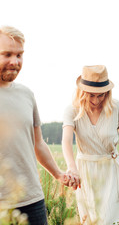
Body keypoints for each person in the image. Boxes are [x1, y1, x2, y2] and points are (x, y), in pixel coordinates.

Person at [0, 26, 76, 225]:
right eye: (6, 54)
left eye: (19, 55)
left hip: (31, 201)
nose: (14, 62)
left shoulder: (27, 94)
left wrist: (59, 174)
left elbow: (38, 144)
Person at [62, 65, 119, 225]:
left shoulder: (117, 107)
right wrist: (72, 167)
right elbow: (66, 141)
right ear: (82, 91)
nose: (96, 101)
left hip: (110, 169)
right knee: (89, 220)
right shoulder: (72, 111)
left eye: (101, 95)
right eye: (91, 95)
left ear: (107, 93)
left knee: (111, 220)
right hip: (85, 171)